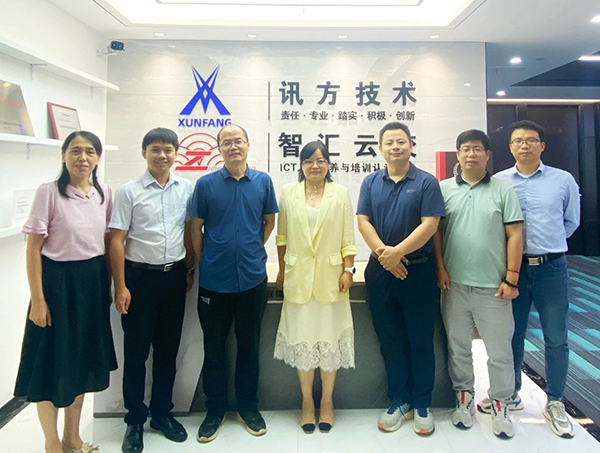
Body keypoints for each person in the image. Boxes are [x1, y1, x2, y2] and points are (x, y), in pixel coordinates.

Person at [14, 131, 117, 453]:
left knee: (82, 362)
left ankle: (72, 437)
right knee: (50, 364)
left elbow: (107, 243)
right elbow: (33, 249)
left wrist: (111, 286)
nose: (82, 158)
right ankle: (52, 442)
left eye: (89, 152)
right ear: (63, 155)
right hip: (56, 286)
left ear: (98, 158)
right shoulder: (48, 192)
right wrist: (38, 300)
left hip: (92, 283)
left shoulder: (104, 193)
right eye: (75, 151)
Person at [481, 120, 581, 438]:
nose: (524, 145)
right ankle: (510, 393)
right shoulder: (499, 182)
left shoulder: (562, 180)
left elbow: (571, 221)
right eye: (518, 141)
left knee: (556, 336)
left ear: (542, 145)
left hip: (551, 268)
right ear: (510, 147)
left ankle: (555, 401)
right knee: (512, 334)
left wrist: (547, 246)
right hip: (514, 270)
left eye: (531, 140)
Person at [433, 129, 523, 438]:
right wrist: (440, 268)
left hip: (494, 287)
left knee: (499, 351)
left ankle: (500, 404)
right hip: (454, 285)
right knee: (458, 348)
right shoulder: (443, 189)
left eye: (477, 149)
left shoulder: (502, 191)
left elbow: (515, 234)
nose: (471, 154)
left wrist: (511, 277)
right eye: (465, 149)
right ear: (457, 154)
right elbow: (437, 233)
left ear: (487, 155)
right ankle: (464, 399)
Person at [191, 124, 278, 443]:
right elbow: (196, 228)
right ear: (219, 149)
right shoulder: (206, 184)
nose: (233, 147)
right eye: (226, 142)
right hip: (214, 282)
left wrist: (252, 249)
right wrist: (207, 261)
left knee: (249, 346)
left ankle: (247, 407)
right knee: (214, 348)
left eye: (238, 141)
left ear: (248, 145)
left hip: (253, 279)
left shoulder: (263, 182)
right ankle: (214, 410)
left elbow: (269, 222)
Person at [357, 122, 444, 436]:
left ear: (411, 146)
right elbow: (363, 220)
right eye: (389, 143)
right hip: (380, 272)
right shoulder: (371, 182)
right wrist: (386, 255)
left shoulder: (426, 182)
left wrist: (398, 253)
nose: (395, 147)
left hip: (418, 271)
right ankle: (399, 400)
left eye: (401, 142)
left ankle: (422, 403)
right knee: (390, 340)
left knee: (420, 340)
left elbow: (430, 224)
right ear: (380, 149)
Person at [110, 128, 195, 453]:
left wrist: (188, 269)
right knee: (136, 354)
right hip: (138, 280)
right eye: (156, 149)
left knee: (167, 351)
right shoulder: (129, 191)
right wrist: (120, 285)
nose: (162, 155)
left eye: (168, 149)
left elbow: (188, 231)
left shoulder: (186, 188)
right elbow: (116, 240)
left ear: (176, 153)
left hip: (173, 279)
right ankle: (134, 420)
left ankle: (161, 414)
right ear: (144, 153)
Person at [274, 141, 357, 434]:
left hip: (331, 280)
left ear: (328, 164)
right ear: (301, 164)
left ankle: (327, 402)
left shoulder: (340, 194)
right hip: (298, 279)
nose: (315, 166)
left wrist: (348, 269)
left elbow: (348, 238)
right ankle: (307, 402)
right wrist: (282, 270)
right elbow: (282, 238)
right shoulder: (288, 193)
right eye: (309, 161)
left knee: (328, 342)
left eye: (321, 160)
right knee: (303, 342)